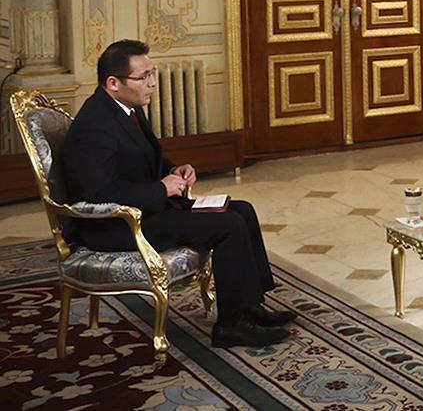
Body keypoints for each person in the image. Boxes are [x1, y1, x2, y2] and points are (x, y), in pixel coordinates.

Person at [63, 39, 295, 348]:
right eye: (144, 77)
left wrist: (174, 170)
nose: (152, 83)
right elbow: (100, 192)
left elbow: (142, 160)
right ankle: (231, 326)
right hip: (116, 226)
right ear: (114, 83)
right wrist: (162, 188)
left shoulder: (126, 108)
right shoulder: (95, 125)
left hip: (146, 209)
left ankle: (250, 306)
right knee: (228, 225)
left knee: (242, 210)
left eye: (153, 73)